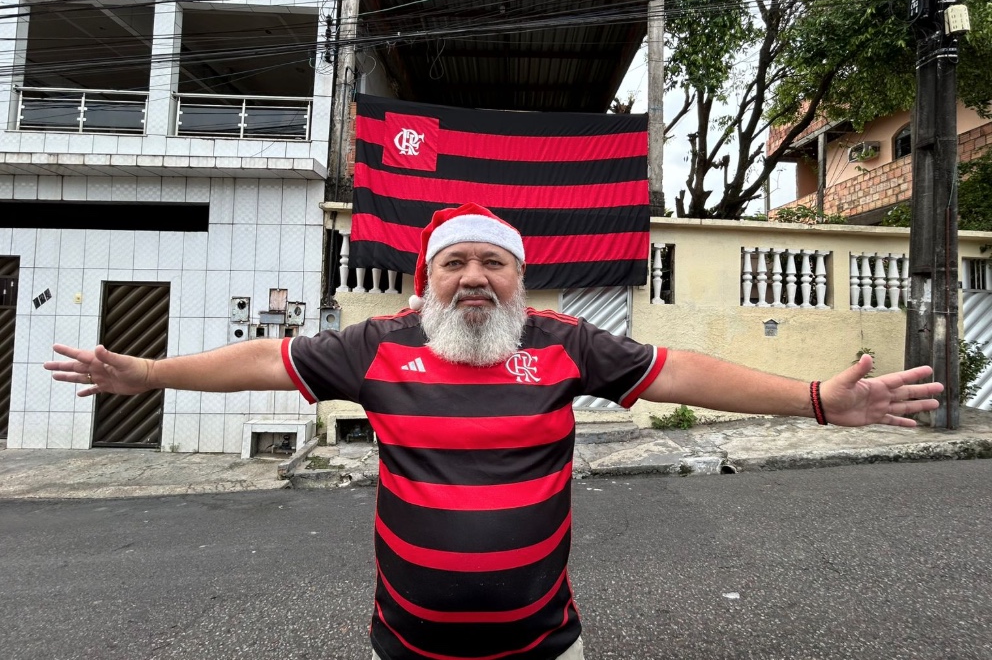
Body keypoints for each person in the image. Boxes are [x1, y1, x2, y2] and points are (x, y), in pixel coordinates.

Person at [46, 202, 943, 660]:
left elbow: (685, 371)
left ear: (520, 278)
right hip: (404, 646)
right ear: (427, 278)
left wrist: (817, 398)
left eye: (494, 262)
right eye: (457, 262)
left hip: (545, 646)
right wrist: (151, 373)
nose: (475, 277)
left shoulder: (565, 345)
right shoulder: (377, 347)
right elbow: (261, 357)